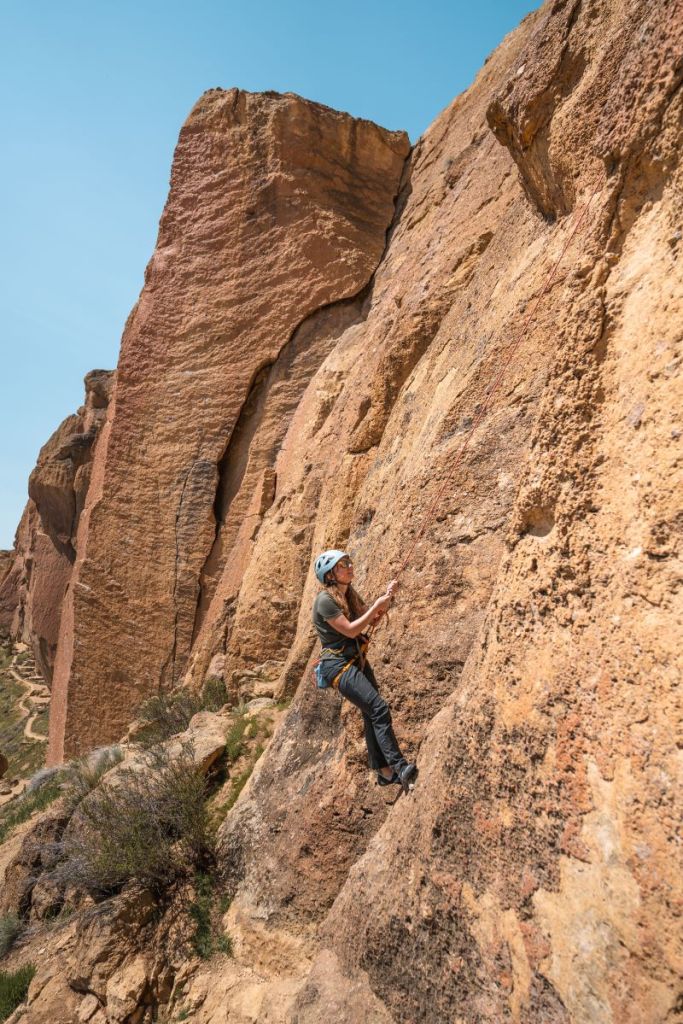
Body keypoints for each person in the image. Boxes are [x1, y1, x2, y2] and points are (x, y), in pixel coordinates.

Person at [312, 549, 418, 792]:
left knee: (372, 712)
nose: (349, 567)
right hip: (337, 665)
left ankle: (383, 772)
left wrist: (386, 599)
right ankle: (399, 767)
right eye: (342, 565)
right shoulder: (325, 600)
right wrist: (377, 606)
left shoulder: (348, 594)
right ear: (330, 575)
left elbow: (368, 620)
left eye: (349, 562)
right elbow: (350, 630)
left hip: (354, 660)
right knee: (378, 709)